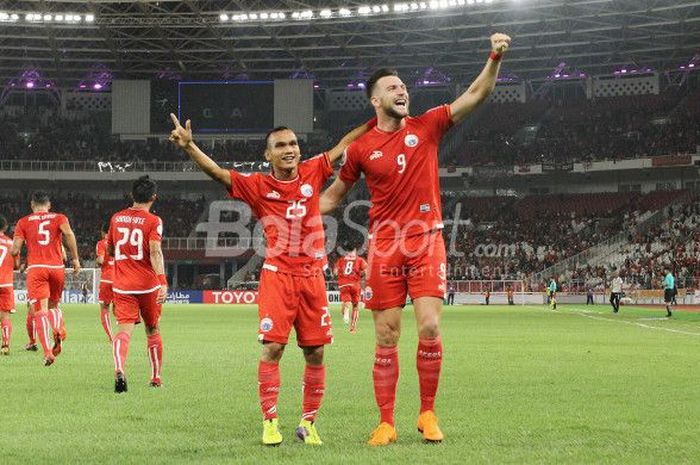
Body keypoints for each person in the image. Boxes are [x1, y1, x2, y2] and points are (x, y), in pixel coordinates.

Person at [319, 33, 512, 445]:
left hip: (426, 239)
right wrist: (295, 210)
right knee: (386, 336)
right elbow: (335, 196)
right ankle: (386, 422)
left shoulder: (428, 125)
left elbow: (478, 93)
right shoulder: (360, 149)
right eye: (392, 87)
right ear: (375, 100)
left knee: (428, 325)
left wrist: (494, 57)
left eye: (403, 86)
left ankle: (427, 413)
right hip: (385, 245)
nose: (402, 90)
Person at [168, 113, 374, 446]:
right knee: (273, 349)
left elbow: (344, 144)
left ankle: (308, 424)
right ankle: (270, 421)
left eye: (293, 143)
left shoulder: (313, 169)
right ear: (268, 155)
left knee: (316, 353)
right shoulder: (258, 185)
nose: (289, 149)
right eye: (280, 145)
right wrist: (190, 146)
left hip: (313, 278)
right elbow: (218, 173)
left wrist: (376, 121)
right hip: (278, 276)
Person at [108, 176, 167, 393]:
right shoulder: (154, 221)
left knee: (123, 331)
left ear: (132, 195)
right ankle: (155, 377)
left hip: (122, 285)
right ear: (154, 197)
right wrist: (163, 281)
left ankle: (119, 368)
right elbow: (155, 251)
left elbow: (110, 249)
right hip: (148, 286)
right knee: (152, 329)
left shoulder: (116, 218)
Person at [11, 192, 81, 366]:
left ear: (32, 205)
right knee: (54, 306)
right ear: (48, 205)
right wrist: (75, 259)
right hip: (56, 268)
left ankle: (48, 352)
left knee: (40, 310)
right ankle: (57, 329)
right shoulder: (59, 218)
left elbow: (14, 249)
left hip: (36, 269)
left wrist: (17, 258)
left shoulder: (23, 222)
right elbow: (69, 234)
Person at [333, 247, 368, 333]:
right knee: (355, 306)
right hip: (355, 285)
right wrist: (361, 274)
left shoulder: (341, 260)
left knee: (346, 302)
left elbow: (335, 272)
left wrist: (341, 274)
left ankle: (346, 311)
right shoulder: (360, 260)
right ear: (355, 251)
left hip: (344, 284)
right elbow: (366, 271)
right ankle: (353, 328)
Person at [0, 215, 19, 355]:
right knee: (5, 317)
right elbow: (17, 265)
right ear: (5, 227)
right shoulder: (12, 243)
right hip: (6, 283)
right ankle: (5, 345)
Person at [95, 222, 115, 342]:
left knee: (104, 308)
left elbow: (101, 261)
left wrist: (97, 260)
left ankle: (111, 337)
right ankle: (123, 333)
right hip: (120, 279)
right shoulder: (119, 243)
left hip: (107, 279)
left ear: (103, 232)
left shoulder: (101, 243)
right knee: (120, 307)